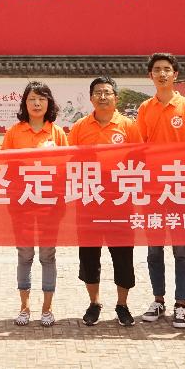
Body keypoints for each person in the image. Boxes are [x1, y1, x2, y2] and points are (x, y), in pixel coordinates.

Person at [135, 53, 185, 329]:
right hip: (154, 190)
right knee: (154, 250)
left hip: (180, 188)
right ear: (150, 76)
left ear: (175, 75)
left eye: (167, 69)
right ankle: (158, 300)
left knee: (181, 250)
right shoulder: (145, 108)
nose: (162, 74)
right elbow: (139, 148)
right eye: (157, 70)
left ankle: (180, 304)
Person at [68, 76, 141, 327]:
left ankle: (122, 304)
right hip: (89, 200)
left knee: (123, 255)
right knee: (89, 255)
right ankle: (94, 302)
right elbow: (69, 160)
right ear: (91, 98)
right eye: (98, 92)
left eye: (107, 92)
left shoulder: (129, 126)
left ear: (115, 98)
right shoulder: (80, 126)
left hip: (120, 201)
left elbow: (140, 160)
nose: (102, 96)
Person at [3, 81, 68, 327]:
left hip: (50, 205)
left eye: (41, 98)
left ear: (49, 103)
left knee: (48, 255)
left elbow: (66, 168)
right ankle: (24, 307)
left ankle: (47, 308)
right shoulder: (15, 132)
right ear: (25, 103)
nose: (37, 103)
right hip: (22, 203)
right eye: (32, 99)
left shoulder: (57, 133)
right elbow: (5, 167)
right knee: (25, 254)